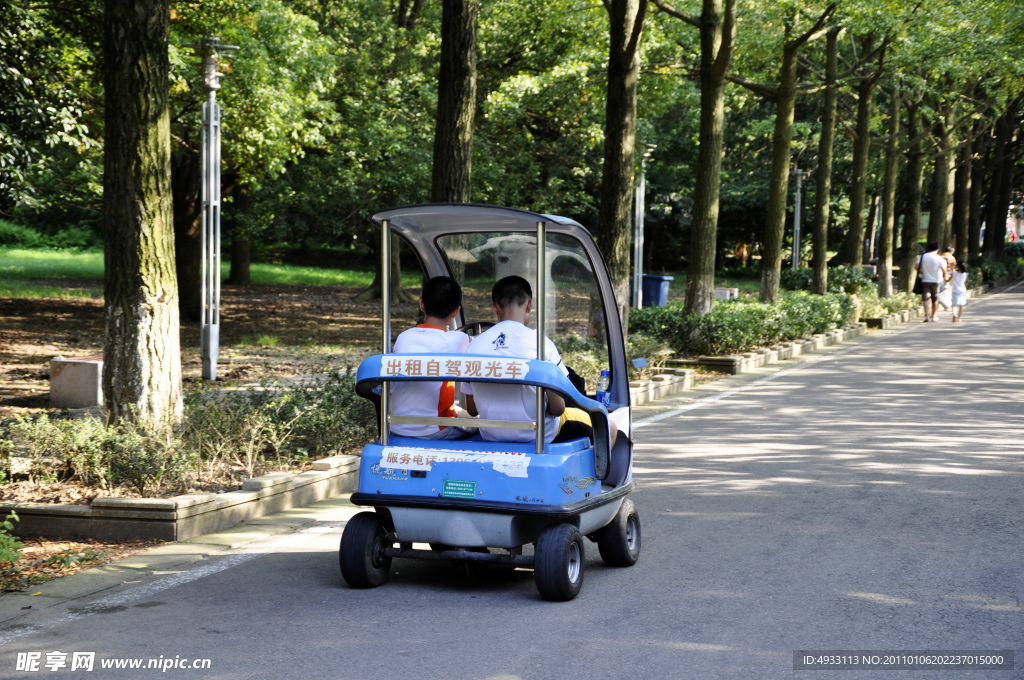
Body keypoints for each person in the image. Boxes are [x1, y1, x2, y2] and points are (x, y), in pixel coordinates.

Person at [461, 275, 617, 447]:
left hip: (491, 435)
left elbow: (472, 410)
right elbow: (558, 409)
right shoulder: (541, 344)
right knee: (609, 426)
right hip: (539, 435)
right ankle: (598, 474)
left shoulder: (474, 346)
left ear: (494, 308)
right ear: (529, 305)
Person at [390, 276, 475, 439]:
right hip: (434, 430)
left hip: (397, 425)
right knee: (477, 422)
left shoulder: (403, 337)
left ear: (421, 304)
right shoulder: (456, 339)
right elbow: (482, 345)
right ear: (456, 311)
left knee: (457, 411)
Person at [917, 241, 946, 322]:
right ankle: (933, 316)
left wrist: (923, 272)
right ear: (938, 249)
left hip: (925, 280)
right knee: (935, 299)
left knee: (926, 298)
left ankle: (926, 316)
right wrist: (945, 278)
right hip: (936, 281)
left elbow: (916, 267)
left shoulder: (923, 256)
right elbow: (944, 270)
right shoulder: (940, 258)